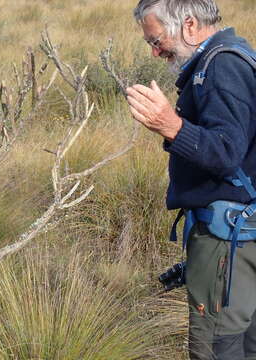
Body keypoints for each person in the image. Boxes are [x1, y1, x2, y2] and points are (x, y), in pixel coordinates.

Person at [128, 0, 256, 359]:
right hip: (238, 238)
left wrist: (171, 126)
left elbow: (228, 152)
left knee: (216, 347)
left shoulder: (222, 66)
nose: (155, 53)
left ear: (188, 24)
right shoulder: (232, 57)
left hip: (228, 242)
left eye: (156, 40)